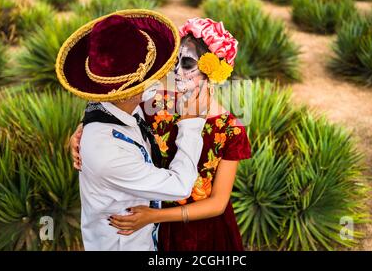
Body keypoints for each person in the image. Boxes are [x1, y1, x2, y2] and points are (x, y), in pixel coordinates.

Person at [71, 18, 251, 251]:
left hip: (197, 233)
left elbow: (217, 203)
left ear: (213, 71)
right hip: (149, 230)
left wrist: (155, 216)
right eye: (175, 62)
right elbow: (115, 105)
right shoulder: (158, 104)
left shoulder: (231, 128)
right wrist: (84, 127)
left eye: (187, 64)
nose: (176, 71)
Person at [56, 10, 209, 251]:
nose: (164, 76)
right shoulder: (108, 153)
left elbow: (145, 94)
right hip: (122, 243)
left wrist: (83, 125)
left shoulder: (107, 102)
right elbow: (180, 186)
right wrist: (192, 124)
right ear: (131, 88)